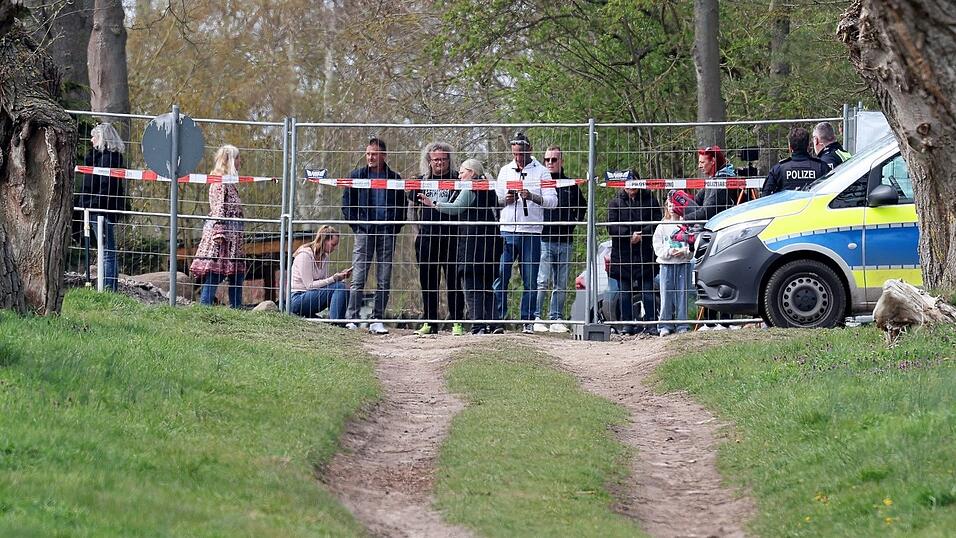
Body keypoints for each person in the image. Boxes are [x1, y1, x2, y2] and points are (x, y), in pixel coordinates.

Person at [419, 159, 502, 334]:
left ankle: (478, 325)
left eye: (462, 172)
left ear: (472, 173)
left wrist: (433, 204)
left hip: (473, 244)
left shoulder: (470, 187)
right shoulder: (489, 188)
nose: (459, 175)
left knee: (472, 286)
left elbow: (457, 207)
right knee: (487, 287)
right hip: (490, 244)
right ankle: (495, 324)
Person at [493, 132, 558, 334]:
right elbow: (494, 201)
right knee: (500, 276)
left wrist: (532, 196)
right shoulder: (505, 171)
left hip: (531, 232)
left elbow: (553, 202)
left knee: (530, 280)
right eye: (515, 154)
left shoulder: (542, 172)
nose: (518, 158)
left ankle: (527, 320)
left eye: (521, 153)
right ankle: (497, 320)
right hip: (506, 231)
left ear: (529, 150)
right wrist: (505, 200)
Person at [341, 137, 404, 334]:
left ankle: (377, 318)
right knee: (358, 276)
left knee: (384, 278)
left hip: (386, 231)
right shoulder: (357, 176)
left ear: (384, 156)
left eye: (374, 154)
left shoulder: (395, 178)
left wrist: (394, 227)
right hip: (364, 232)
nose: (370, 157)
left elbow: (403, 207)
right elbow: (346, 204)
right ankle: (351, 318)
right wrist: (358, 226)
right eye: (368, 153)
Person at [408, 142, 465, 336]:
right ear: (429, 161)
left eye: (443, 159)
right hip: (427, 238)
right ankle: (429, 322)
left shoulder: (458, 179)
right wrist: (417, 231)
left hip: (452, 237)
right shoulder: (421, 180)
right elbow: (411, 209)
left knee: (454, 282)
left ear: (449, 160)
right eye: (436, 160)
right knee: (428, 281)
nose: (439, 163)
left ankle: (457, 321)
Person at [533, 145, 585, 333]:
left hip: (565, 239)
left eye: (554, 160)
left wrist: (572, 221)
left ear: (561, 161)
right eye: (547, 160)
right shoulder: (539, 182)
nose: (550, 163)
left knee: (561, 283)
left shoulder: (570, 184)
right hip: (544, 238)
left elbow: (582, 207)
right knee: (542, 280)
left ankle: (556, 317)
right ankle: (536, 316)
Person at [189, 144, 246, 308]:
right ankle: (204, 307)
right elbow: (218, 207)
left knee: (236, 274)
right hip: (222, 237)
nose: (240, 161)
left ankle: (236, 308)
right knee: (215, 272)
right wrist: (219, 232)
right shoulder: (220, 182)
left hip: (233, 237)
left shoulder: (230, 182)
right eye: (238, 158)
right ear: (230, 160)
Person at [78, 123, 128, 291]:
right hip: (101, 208)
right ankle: (110, 288)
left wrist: (91, 203)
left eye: (94, 136)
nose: (91, 140)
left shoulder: (107, 159)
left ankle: (108, 289)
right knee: (108, 250)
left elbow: (105, 186)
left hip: (100, 210)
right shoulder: (105, 158)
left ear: (102, 138)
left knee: (107, 250)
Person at [607, 182, 662, 335]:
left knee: (648, 290)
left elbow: (657, 221)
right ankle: (627, 325)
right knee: (624, 292)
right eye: (627, 183)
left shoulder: (650, 200)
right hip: (622, 254)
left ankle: (651, 324)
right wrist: (629, 235)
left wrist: (642, 234)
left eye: (634, 182)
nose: (631, 186)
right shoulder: (614, 203)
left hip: (645, 253)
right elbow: (611, 226)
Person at [653, 190, 695, 336]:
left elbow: (691, 244)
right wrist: (669, 252)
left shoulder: (686, 224)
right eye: (669, 205)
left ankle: (682, 325)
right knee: (666, 296)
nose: (672, 208)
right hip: (666, 265)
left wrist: (685, 252)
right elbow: (657, 246)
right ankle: (664, 325)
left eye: (674, 205)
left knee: (682, 295)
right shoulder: (662, 226)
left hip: (683, 264)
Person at [289, 225, 351, 320]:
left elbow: (324, 283)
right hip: (297, 298)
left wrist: (339, 278)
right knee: (339, 287)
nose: (335, 248)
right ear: (324, 240)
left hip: (311, 296)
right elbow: (309, 285)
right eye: (333, 244)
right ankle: (336, 322)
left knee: (341, 285)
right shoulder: (305, 255)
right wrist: (333, 279)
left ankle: (337, 320)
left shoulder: (324, 257)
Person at [761, 127, 830, 196]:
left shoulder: (779, 169)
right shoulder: (822, 167)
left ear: (790, 147)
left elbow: (765, 196)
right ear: (808, 146)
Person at [685, 145, 736, 223]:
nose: (699, 166)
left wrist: (684, 219)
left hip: (719, 225)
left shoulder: (721, 182)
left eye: (702, 162)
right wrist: (681, 201)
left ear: (712, 161)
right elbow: (696, 200)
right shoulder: (713, 179)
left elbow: (707, 212)